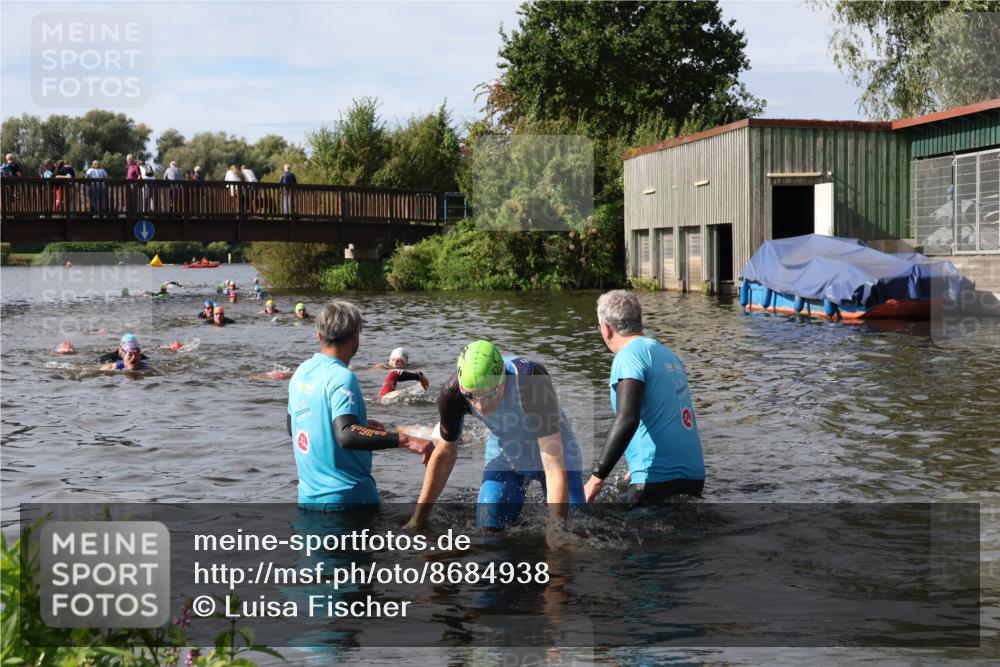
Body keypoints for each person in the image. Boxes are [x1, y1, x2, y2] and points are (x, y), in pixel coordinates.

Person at [407, 340, 584, 532]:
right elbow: (444, 454)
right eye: (472, 396)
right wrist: (418, 519)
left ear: (503, 381)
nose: (480, 406)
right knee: (488, 530)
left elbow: (553, 466)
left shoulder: (531, 382)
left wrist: (555, 532)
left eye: (489, 394)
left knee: (574, 529)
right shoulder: (452, 395)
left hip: (556, 450)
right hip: (506, 454)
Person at [286, 299, 434, 508]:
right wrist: (407, 440)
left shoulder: (301, 371)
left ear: (319, 336)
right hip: (349, 501)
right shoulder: (341, 377)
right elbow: (347, 434)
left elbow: (294, 427)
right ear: (356, 335)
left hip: (308, 499)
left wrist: (360, 424)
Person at [584, 290, 706, 507]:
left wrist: (596, 479)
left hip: (655, 480)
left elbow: (627, 419)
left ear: (606, 328)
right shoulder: (670, 355)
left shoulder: (627, 356)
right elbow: (667, 414)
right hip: (694, 478)